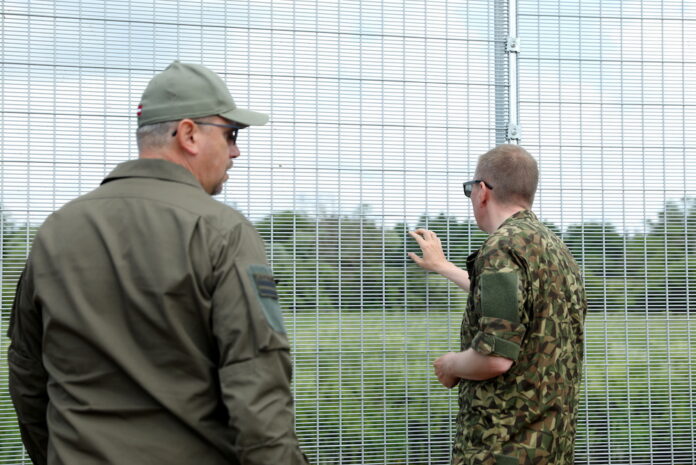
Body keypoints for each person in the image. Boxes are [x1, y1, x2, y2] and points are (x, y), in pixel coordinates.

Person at [8, 60, 308, 465]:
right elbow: (257, 391)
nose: (236, 150)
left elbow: (28, 375)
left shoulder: (56, 231)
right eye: (231, 133)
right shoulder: (221, 231)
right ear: (188, 134)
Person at [408, 144, 586, 465]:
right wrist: (444, 267)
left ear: (482, 191)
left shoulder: (500, 247)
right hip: (552, 444)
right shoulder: (554, 247)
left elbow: (494, 359)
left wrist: (451, 364)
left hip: (502, 446)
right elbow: (510, 302)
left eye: (469, 190)